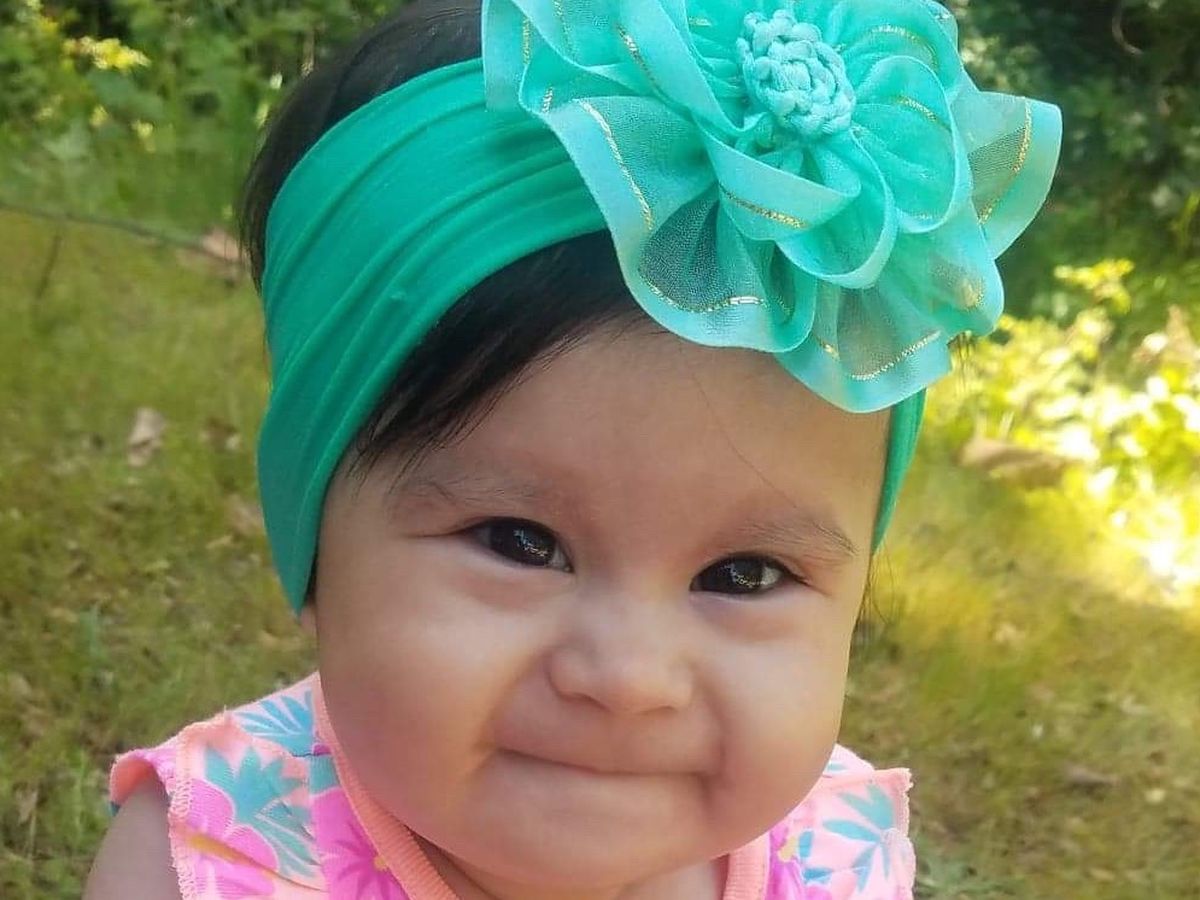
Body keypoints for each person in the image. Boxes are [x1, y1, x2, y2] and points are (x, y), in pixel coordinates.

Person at [85, 1, 1061, 897]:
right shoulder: (206, 864)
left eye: (744, 574)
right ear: (312, 542)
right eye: (519, 542)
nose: (629, 680)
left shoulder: (835, 862)